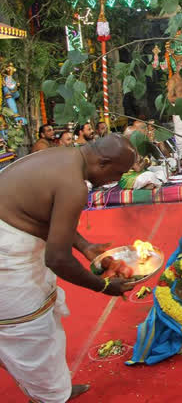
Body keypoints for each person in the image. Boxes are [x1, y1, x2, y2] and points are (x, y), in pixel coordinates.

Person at [0, 134, 137, 402]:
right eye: (116, 173)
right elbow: (57, 259)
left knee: (40, 324)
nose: (114, 180)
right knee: (30, 332)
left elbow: (42, 212)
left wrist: (85, 246)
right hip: (7, 255)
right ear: (103, 162)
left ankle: (52, 390)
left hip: (13, 240)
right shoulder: (74, 184)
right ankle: (50, 396)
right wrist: (104, 286)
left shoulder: (61, 157)